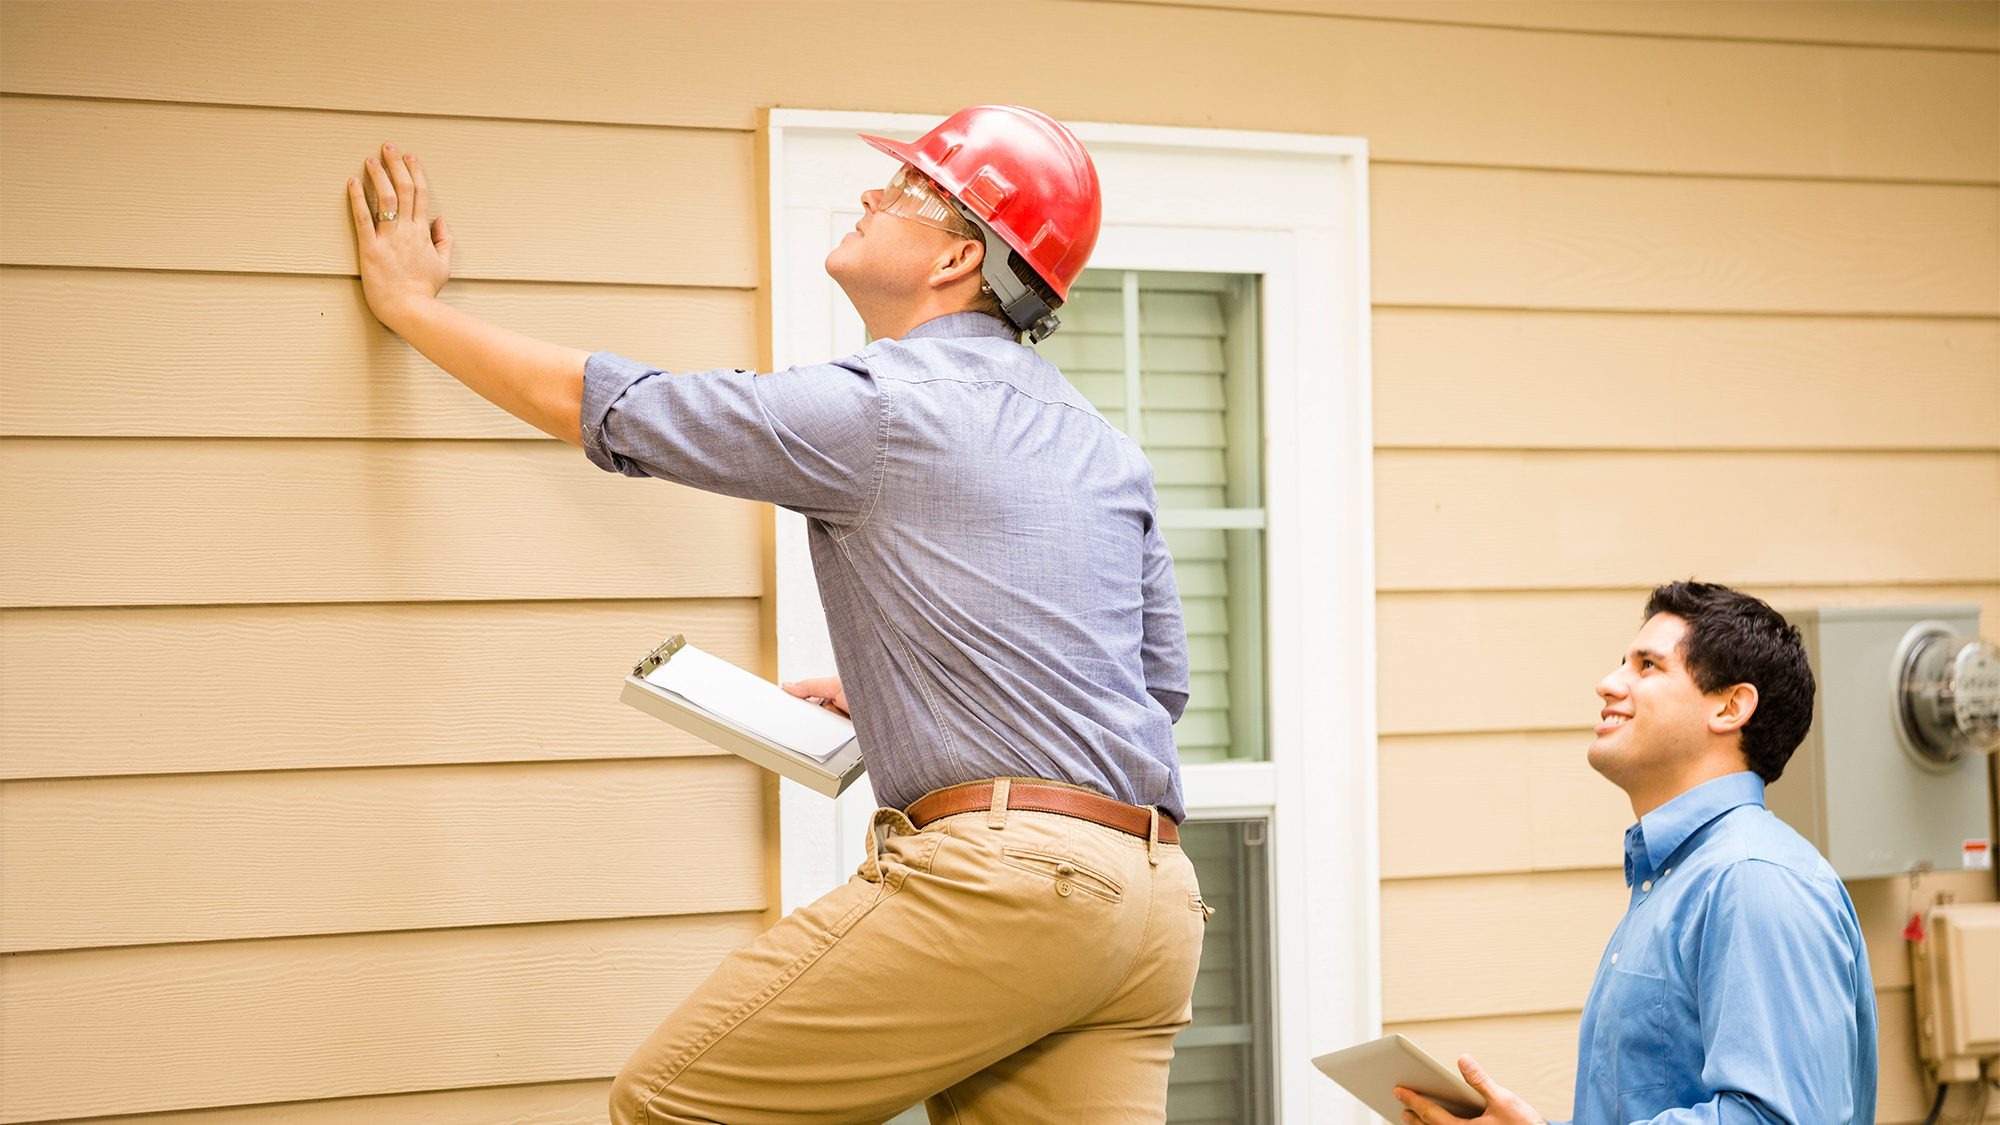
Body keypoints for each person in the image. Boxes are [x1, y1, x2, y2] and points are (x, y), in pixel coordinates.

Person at [345, 105, 1206, 1124]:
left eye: (906, 192)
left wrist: (413, 310)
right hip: (1150, 903)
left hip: (1008, 889)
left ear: (957, 259)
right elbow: (1150, 689)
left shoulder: (883, 405)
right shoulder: (1102, 446)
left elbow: (625, 409)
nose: (870, 197)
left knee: (672, 1104)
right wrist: (912, 689)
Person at [1396, 580, 1878, 1125]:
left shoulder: (1753, 880)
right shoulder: (1672, 878)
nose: (1607, 684)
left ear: (1730, 706)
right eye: (1621, 663)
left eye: (1647, 666)